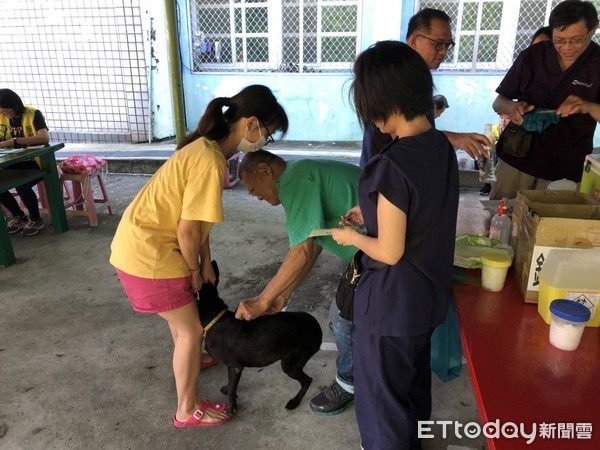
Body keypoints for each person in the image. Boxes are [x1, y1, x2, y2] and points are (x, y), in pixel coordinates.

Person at [110, 85, 289, 428]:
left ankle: (191, 359)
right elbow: (188, 232)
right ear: (251, 124)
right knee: (191, 331)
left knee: (185, 325)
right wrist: (194, 270)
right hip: (150, 255)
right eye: (268, 133)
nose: (265, 141)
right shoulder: (209, 160)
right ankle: (187, 409)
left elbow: (197, 221)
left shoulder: (204, 149)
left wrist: (205, 263)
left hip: (139, 247)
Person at [332, 40, 459, 450]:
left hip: (391, 305)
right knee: (413, 386)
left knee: (382, 405)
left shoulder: (390, 164)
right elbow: (421, 209)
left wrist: (352, 236)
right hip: (427, 298)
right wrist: (369, 210)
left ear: (384, 101)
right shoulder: (439, 147)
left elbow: (388, 251)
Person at [234, 150, 361, 415]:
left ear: (265, 171)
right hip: (370, 251)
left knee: (342, 319)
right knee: (342, 319)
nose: (256, 196)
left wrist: (262, 301)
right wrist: (284, 293)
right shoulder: (299, 173)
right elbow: (312, 244)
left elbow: (301, 252)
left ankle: (348, 383)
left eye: (253, 189)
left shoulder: (296, 180)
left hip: (382, 253)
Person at [490, 0, 600, 200]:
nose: (566, 47)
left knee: (551, 226)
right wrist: (513, 107)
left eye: (576, 40)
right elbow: (499, 102)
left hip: (565, 167)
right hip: (517, 159)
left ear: (593, 29)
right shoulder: (533, 56)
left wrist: (588, 106)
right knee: (501, 221)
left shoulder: (597, 64)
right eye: (559, 40)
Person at [359, 8, 492, 167]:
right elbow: (400, 133)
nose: (443, 52)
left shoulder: (420, 78)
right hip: (386, 170)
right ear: (414, 41)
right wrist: (452, 138)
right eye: (438, 44)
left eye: (448, 45)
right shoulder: (393, 77)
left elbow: (416, 127)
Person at [0, 89, 50, 236]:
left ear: (15, 106)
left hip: (36, 162)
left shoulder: (33, 114)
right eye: (1, 112)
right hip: (12, 162)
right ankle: (19, 216)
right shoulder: (1, 117)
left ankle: (35, 219)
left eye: (6, 112)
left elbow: (44, 138)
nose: (4, 115)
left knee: (22, 186)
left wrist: (14, 141)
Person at [479, 112, 511, 196]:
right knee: (489, 153)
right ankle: (488, 184)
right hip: (496, 155)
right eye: (501, 118)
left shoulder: (516, 130)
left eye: (507, 118)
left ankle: (497, 185)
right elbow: (487, 142)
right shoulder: (494, 129)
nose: (503, 121)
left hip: (509, 155)